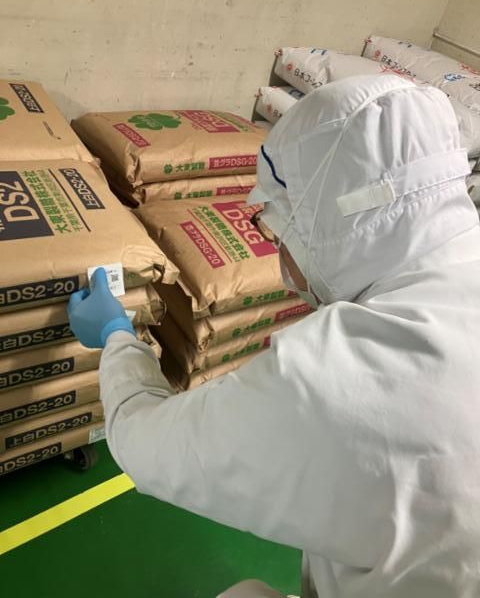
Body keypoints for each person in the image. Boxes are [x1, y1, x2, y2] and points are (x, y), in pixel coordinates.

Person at [68, 75, 480, 598]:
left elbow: (145, 444)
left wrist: (116, 335)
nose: (276, 250)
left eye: (278, 229)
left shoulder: (344, 371)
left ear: (322, 226)